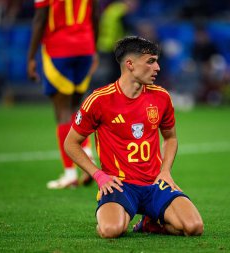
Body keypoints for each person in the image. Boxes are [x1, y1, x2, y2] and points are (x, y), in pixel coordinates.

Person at [65, 36, 204, 238]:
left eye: (157, 61)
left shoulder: (162, 97)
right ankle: (135, 216)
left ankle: (150, 223)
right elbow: (71, 143)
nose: (157, 67)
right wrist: (99, 175)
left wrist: (165, 171)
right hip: (119, 185)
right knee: (111, 230)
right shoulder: (99, 100)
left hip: (155, 183)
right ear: (129, 64)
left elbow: (170, 138)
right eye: (150, 61)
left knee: (194, 227)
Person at [27, 0, 98, 189]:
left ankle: (70, 174)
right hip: (85, 47)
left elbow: (40, 19)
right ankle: (87, 153)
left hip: (58, 49)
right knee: (77, 107)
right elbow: (95, 15)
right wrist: (94, 50)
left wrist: (31, 57)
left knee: (62, 111)